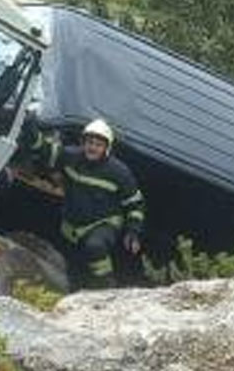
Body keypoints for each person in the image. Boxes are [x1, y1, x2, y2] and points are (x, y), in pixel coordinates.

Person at [20, 117, 146, 289]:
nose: (92, 147)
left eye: (98, 144)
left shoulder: (119, 172)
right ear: (83, 142)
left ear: (106, 148)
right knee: (71, 265)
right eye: (89, 142)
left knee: (95, 246)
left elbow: (135, 204)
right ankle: (75, 289)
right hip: (71, 224)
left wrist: (133, 231)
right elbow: (43, 148)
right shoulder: (70, 156)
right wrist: (29, 125)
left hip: (104, 223)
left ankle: (107, 285)